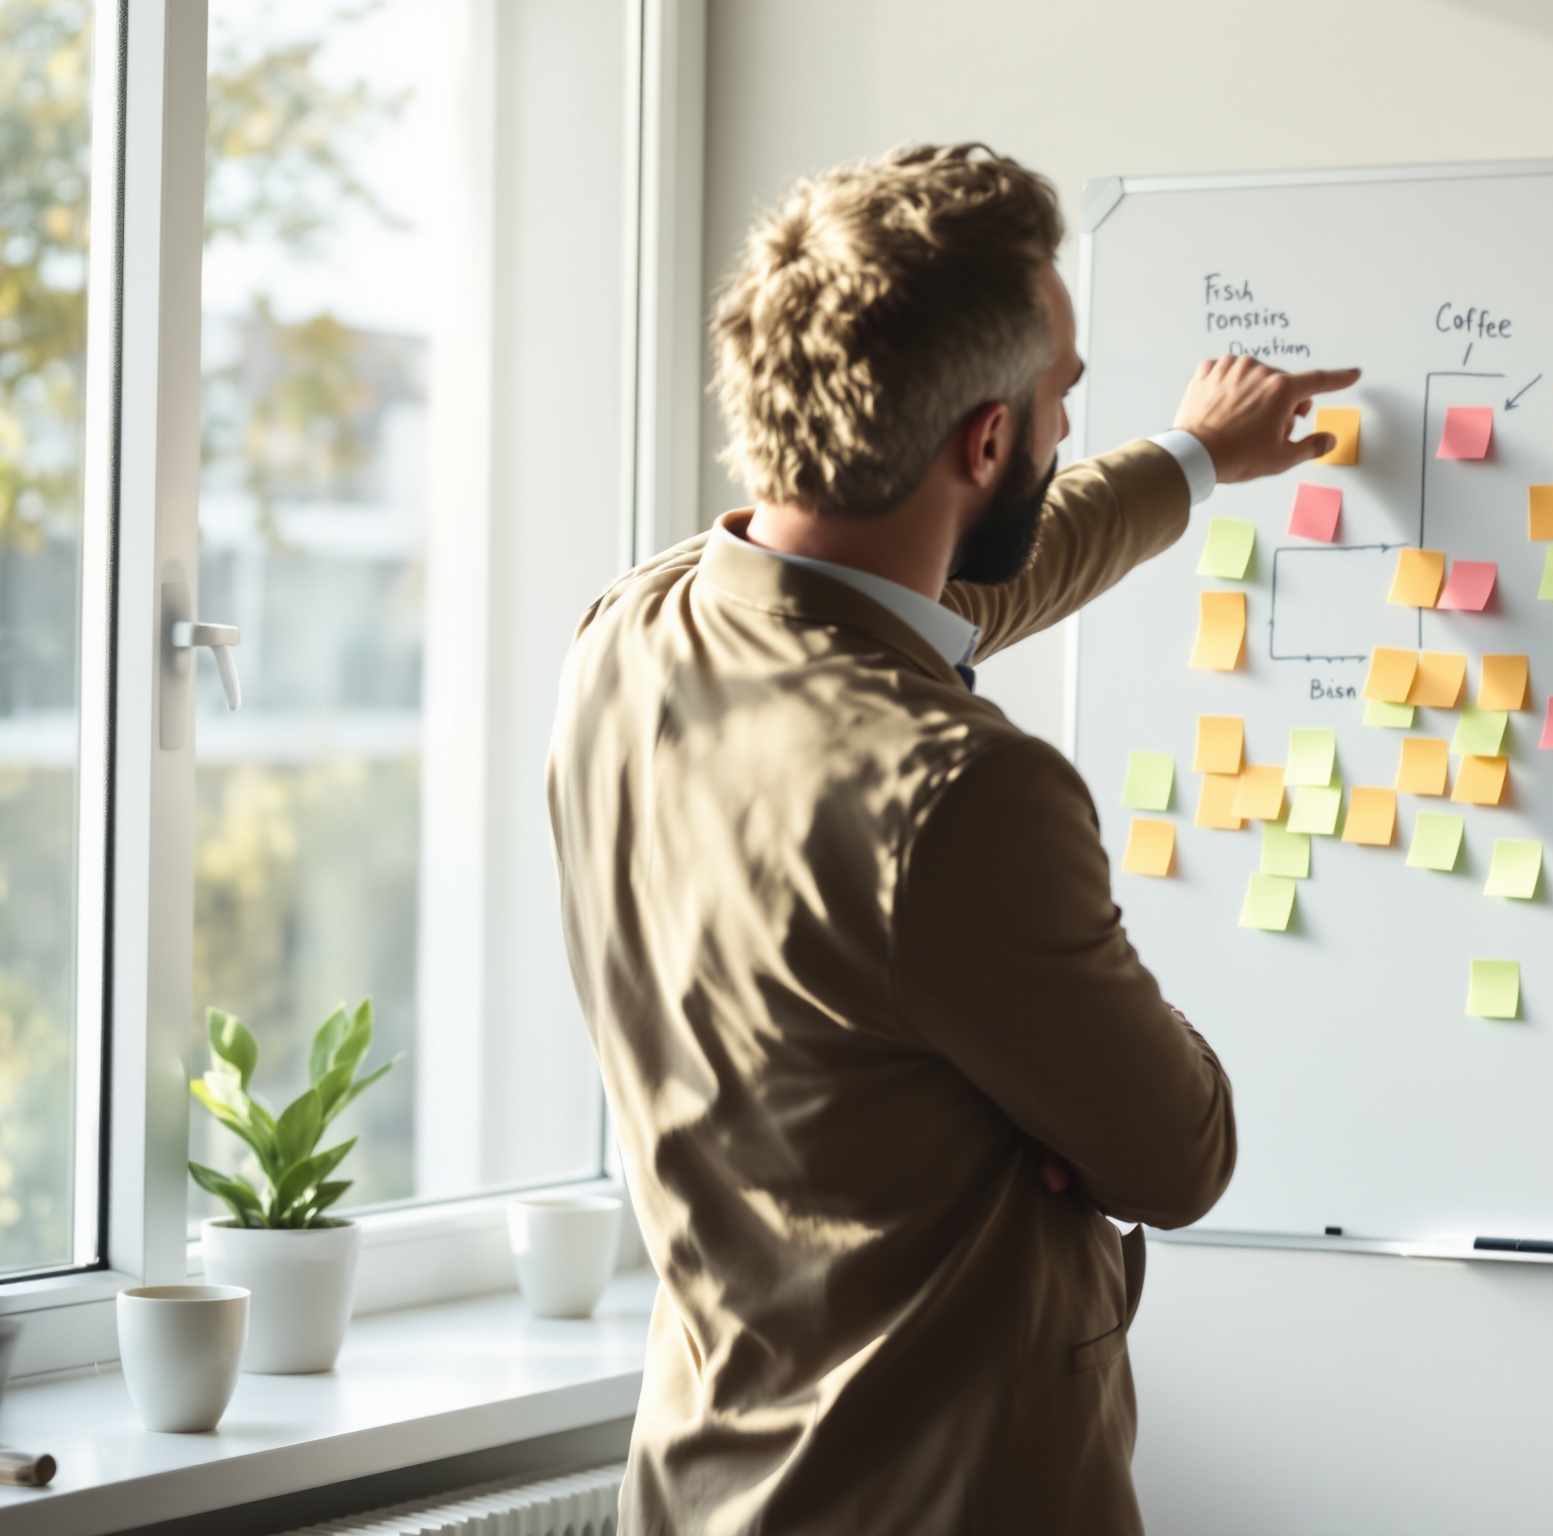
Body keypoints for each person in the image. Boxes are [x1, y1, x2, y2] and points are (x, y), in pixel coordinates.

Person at [548, 143, 1356, 1536]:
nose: (1062, 425)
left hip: (706, 1488)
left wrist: (1191, 460)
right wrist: (1073, 1067)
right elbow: (1178, 1155)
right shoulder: (963, 797)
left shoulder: (640, 625)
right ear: (987, 440)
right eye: (1061, 401)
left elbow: (968, 583)